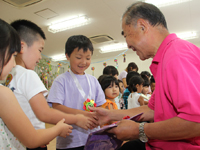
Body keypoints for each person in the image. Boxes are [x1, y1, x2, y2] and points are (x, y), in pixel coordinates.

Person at [89, 1, 200, 150]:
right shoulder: (165, 59)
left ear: (143, 26)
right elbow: (152, 110)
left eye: (126, 35)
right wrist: (111, 115)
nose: (127, 45)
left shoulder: (176, 56)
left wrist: (139, 130)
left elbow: (195, 122)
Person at [7, 20, 97, 150]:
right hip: (32, 140)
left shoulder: (7, 75)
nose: (40, 57)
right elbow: (45, 113)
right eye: (40, 50)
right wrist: (76, 119)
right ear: (22, 47)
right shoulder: (28, 75)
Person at [0, 18, 73, 150]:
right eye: (12, 55)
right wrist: (59, 128)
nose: (13, 63)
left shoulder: (8, 81)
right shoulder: (5, 91)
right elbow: (40, 122)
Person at [47, 35, 106, 150]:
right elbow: (56, 107)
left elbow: (100, 104)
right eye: (79, 57)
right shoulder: (61, 80)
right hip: (70, 140)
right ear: (67, 56)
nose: (83, 62)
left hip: (93, 138)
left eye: (88, 58)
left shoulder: (93, 80)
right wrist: (83, 114)